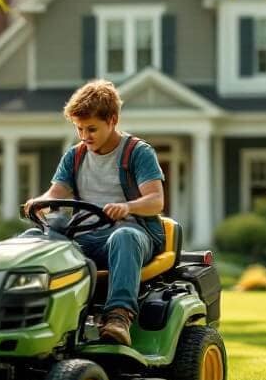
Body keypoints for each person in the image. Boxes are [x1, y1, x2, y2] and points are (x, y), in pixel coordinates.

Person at [25, 79, 165, 347]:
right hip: (87, 236)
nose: (84, 136)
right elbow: (54, 195)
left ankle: (118, 316)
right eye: (79, 129)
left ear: (112, 120)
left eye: (91, 129)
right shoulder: (75, 156)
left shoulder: (138, 153)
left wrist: (128, 207)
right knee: (34, 239)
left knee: (124, 235)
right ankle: (33, 314)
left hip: (133, 234)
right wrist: (37, 202)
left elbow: (156, 201)